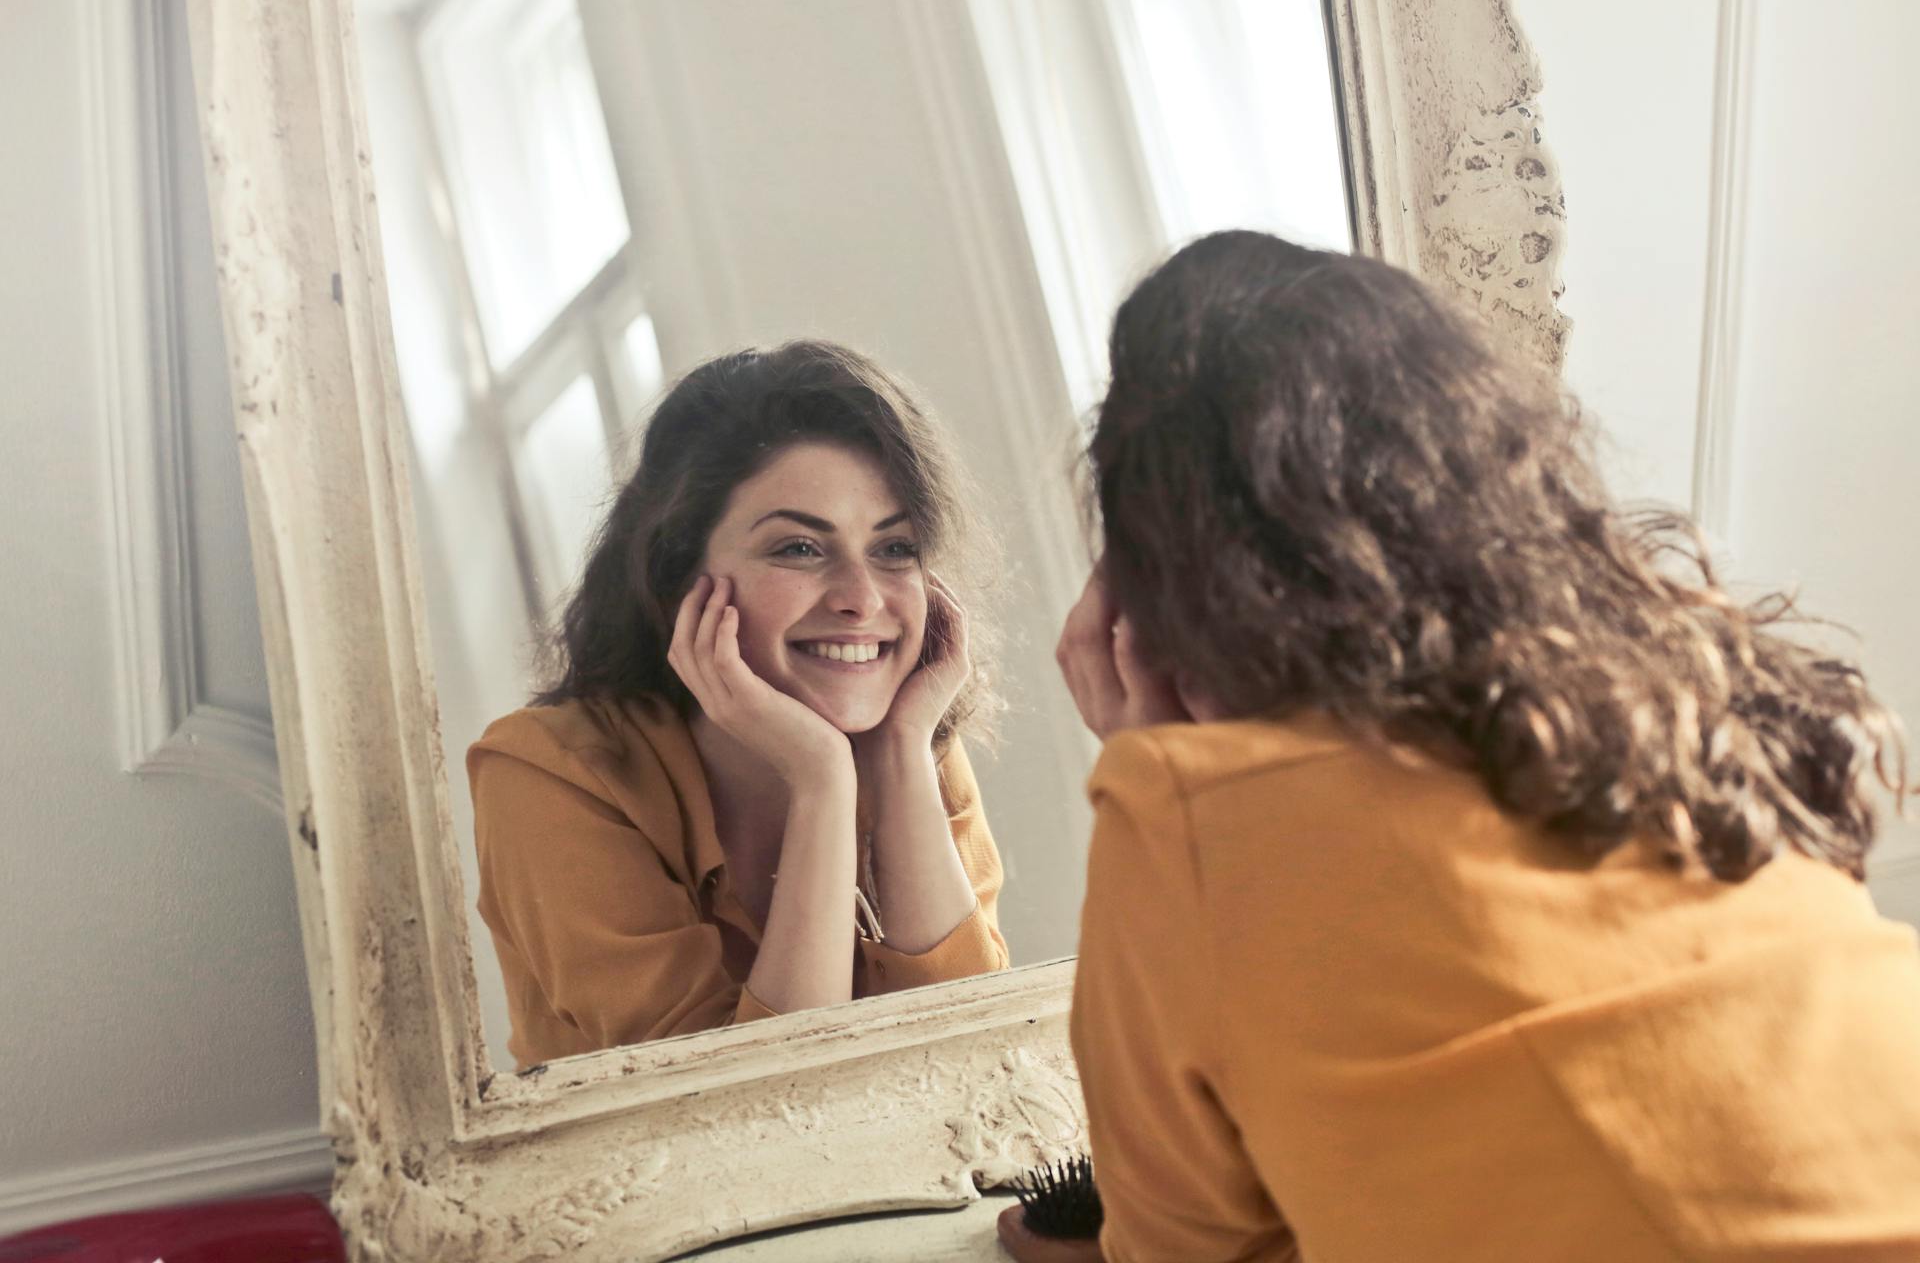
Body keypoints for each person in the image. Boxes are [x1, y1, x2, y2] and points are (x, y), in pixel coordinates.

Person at [1035, 232, 1920, 1261]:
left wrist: (1147, 762)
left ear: (1148, 611)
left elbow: (1186, 1253)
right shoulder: (1682, 689)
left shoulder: (1192, 821)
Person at [468, 340, 1010, 1069]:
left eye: (894, 548)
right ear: (677, 578)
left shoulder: (911, 742)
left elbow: (974, 1061)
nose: (861, 598)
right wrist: (821, 782)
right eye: (797, 549)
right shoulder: (548, 772)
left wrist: (900, 757)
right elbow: (738, 1108)